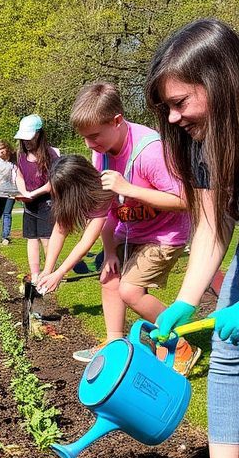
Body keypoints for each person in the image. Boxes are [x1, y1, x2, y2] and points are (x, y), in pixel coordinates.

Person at [147, 17, 239, 458]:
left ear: (221, 81)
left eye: (181, 102)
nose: (176, 118)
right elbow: (212, 226)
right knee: (228, 346)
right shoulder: (207, 140)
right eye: (168, 108)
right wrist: (185, 299)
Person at [40, 82, 196, 373]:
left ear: (116, 121)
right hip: (129, 230)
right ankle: (114, 345)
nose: (89, 145)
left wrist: (129, 188)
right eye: (85, 138)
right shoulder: (102, 152)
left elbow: (184, 200)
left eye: (94, 136)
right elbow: (103, 214)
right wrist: (109, 251)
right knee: (108, 279)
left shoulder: (151, 151)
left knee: (131, 291)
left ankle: (181, 343)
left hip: (165, 234)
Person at [15, 115, 59, 279]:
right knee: (32, 238)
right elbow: (19, 176)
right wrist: (24, 192)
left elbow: (52, 183)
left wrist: (32, 194)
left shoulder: (51, 154)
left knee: (46, 239)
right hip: (29, 204)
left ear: (39, 134)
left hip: (46, 203)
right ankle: (35, 274)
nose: (26, 142)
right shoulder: (21, 156)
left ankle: (49, 273)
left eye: (30, 137)